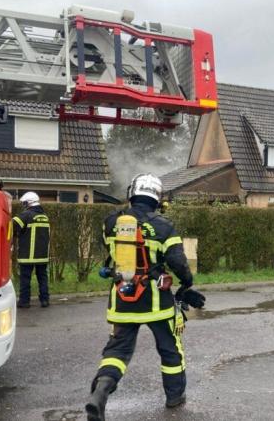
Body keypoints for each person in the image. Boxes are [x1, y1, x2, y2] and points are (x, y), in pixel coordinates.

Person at [85, 173, 205, 421]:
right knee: (170, 349)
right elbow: (177, 262)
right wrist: (187, 283)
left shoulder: (110, 223)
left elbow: (110, 250)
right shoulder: (163, 226)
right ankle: (174, 397)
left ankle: (101, 391)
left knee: (117, 351)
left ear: (132, 193)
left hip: (121, 297)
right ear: (157, 197)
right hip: (156, 300)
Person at [12, 191, 51, 308]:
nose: (24, 206)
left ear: (28, 203)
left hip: (27, 255)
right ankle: (45, 300)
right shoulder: (45, 216)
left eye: (24, 203)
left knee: (25, 279)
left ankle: (24, 301)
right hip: (43, 255)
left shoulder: (26, 215)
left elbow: (12, 225)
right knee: (42, 278)